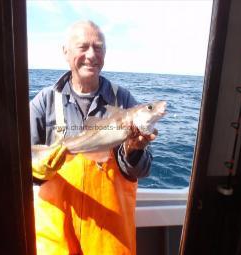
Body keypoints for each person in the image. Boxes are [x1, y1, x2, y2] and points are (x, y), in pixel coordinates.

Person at [30, 20, 157, 255]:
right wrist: (40, 170)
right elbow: (23, 165)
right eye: (83, 47)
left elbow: (144, 170)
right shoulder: (43, 102)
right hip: (57, 232)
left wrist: (133, 151)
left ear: (105, 54)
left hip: (109, 235)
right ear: (65, 52)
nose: (91, 55)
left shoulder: (123, 100)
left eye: (98, 48)